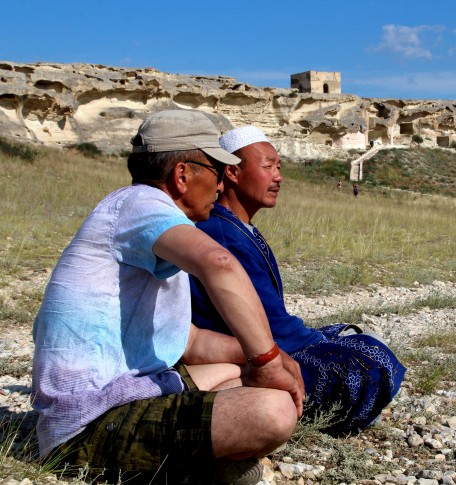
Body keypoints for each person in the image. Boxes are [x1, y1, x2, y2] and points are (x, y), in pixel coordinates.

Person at [31, 110, 304, 485]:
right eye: (215, 171)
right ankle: (178, 469)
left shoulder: (154, 228)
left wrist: (275, 358)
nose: (220, 186)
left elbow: (188, 341)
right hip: (87, 422)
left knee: (245, 376)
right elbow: (220, 264)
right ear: (181, 175)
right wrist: (267, 361)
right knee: (274, 411)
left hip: (127, 395)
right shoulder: (140, 204)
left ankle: (188, 465)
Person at [190, 126, 406, 435]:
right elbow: (270, 326)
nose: (278, 177)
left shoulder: (233, 226)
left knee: (357, 339)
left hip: (256, 345)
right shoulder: (222, 233)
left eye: (279, 167)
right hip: (247, 351)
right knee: (370, 356)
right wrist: (319, 343)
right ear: (233, 173)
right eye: (268, 166)